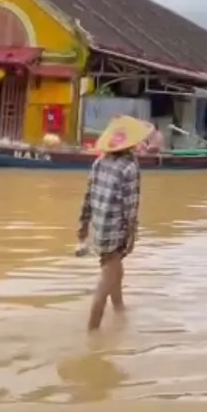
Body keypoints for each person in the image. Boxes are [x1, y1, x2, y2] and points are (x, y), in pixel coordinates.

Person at [77, 115, 149, 331]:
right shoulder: (130, 166)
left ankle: (119, 311)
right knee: (106, 281)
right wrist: (131, 235)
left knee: (116, 270)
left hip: (100, 227)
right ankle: (92, 333)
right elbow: (130, 206)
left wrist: (83, 228)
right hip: (116, 230)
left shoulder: (99, 161)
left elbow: (87, 197)